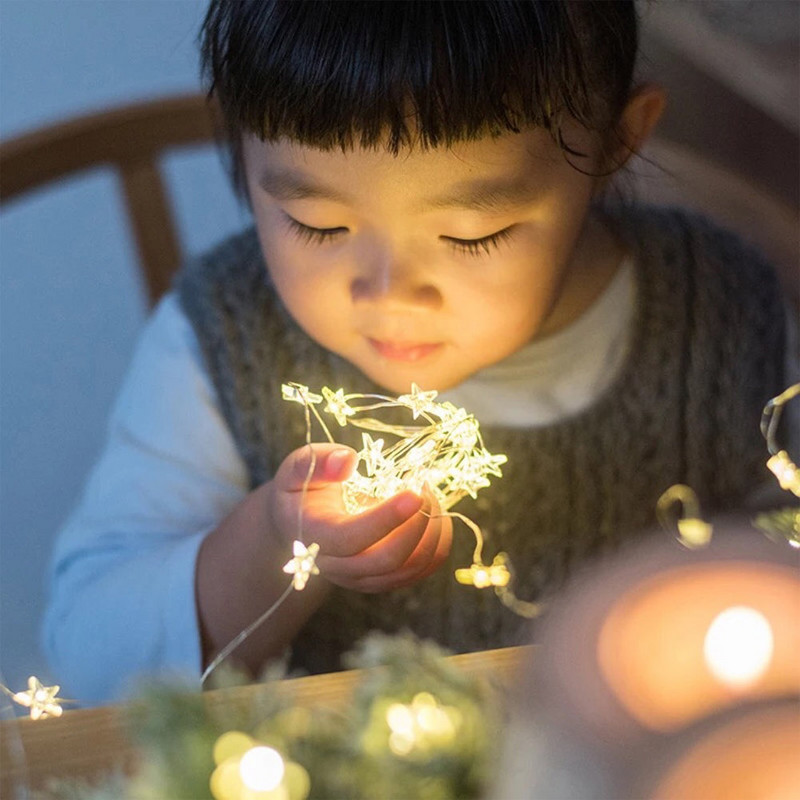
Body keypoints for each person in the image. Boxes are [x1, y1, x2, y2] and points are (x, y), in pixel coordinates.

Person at [42, 0, 794, 704]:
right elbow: (92, 657)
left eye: (472, 235)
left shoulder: (721, 314)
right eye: (318, 224)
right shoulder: (223, 340)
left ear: (617, 143)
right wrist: (278, 542)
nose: (390, 291)